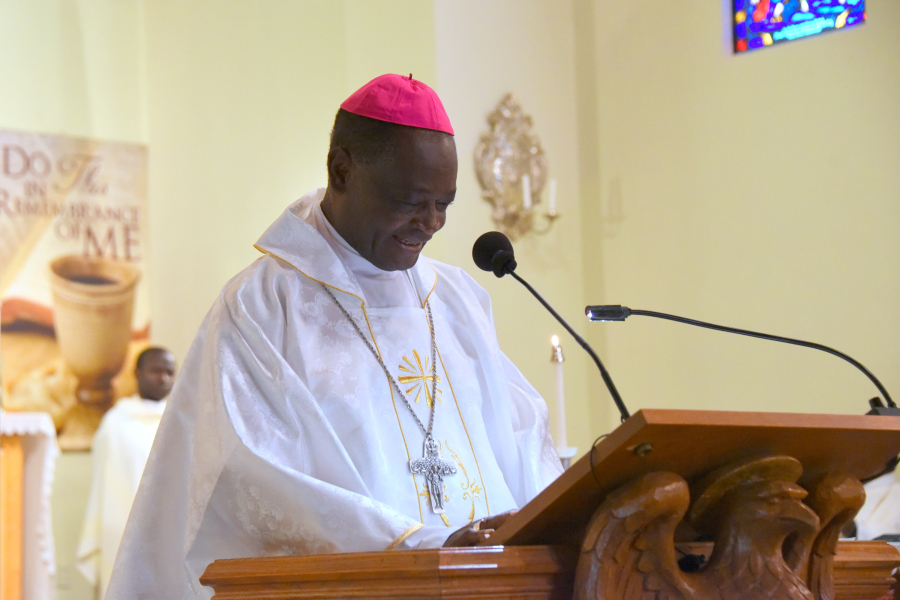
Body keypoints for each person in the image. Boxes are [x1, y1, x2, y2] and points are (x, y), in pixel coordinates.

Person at [106, 74, 563, 600]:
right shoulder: (264, 306)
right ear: (342, 170)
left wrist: (557, 518)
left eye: (445, 203)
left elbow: (521, 437)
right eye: (412, 200)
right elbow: (248, 473)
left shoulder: (456, 300)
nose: (432, 222)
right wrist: (420, 547)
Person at [76, 346, 177, 599]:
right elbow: (106, 483)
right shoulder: (116, 423)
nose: (163, 378)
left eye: (169, 372)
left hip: (170, 528)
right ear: (138, 373)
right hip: (122, 528)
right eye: (156, 371)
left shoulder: (180, 422)